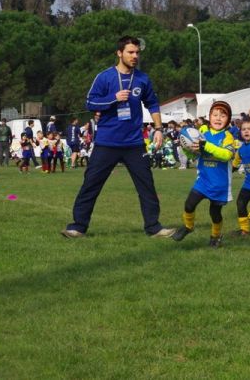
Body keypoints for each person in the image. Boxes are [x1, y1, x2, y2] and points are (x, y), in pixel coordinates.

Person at [62, 36, 174, 238]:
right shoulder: (104, 77)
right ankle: (77, 227)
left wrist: (158, 129)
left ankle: (154, 227)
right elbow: (90, 103)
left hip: (134, 144)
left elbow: (153, 104)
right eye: (131, 52)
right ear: (119, 53)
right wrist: (113, 99)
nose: (135, 56)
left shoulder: (142, 79)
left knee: (146, 185)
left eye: (137, 52)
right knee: (91, 184)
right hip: (107, 142)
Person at [171, 101, 235, 247]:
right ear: (209, 116)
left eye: (223, 115)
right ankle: (188, 227)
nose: (218, 118)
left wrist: (206, 145)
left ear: (228, 119)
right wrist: (187, 148)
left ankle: (215, 236)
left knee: (215, 213)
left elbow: (226, 155)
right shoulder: (202, 133)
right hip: (203, 180)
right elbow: (194, 156)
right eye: (215, 115)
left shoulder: (227, 136)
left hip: (220, 184)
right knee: (189, 204)